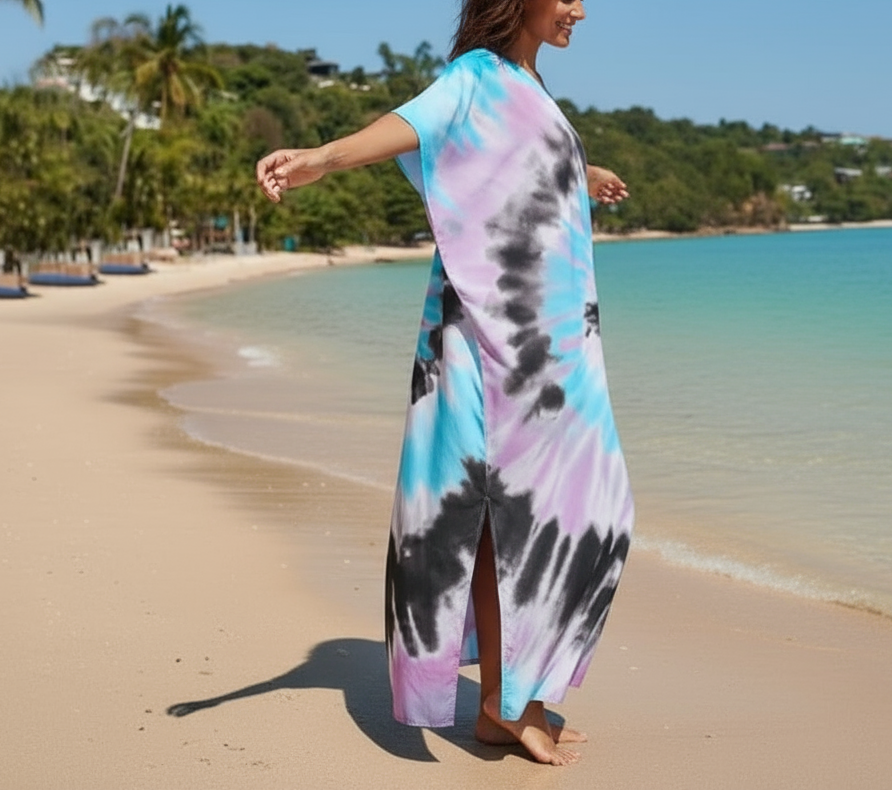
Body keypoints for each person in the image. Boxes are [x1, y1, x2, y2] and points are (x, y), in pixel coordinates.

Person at [257, 0, 633, 766]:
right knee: (510, 512)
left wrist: (579, 171)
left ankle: (510, 697)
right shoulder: (476, 76)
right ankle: (507, 704)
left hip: (555, 346)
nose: (580, 9)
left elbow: (512, 166)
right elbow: (412, 125)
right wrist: (323, 157)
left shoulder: (527, 83)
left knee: (572, 508)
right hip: (499, 343)